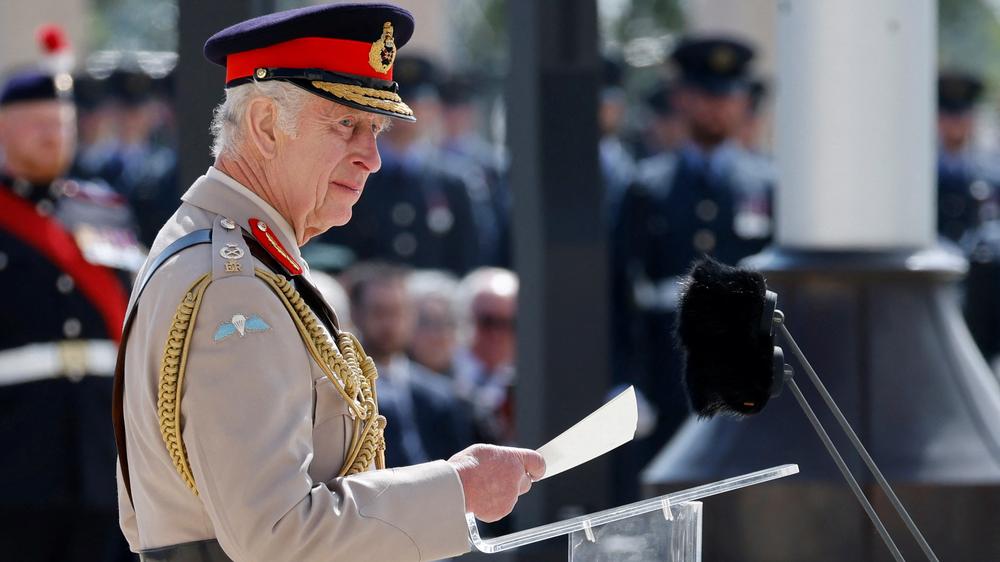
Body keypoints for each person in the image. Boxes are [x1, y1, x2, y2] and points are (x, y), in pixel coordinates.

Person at [114, 4, 544, 561]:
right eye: (346, 125)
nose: (372, 158)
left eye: (377, 130)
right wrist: (456, 489)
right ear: (267, 125)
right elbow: (277, 535)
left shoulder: (225, 250)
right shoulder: (234, 285)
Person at [612, 36, 775, 493]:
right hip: (667, 373)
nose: (715, 109)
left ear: (743, 102)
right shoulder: (647, 186)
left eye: (726, 97)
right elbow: (620, 295)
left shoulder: (766, 184)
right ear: (682, 99)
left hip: (745, 373)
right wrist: (625, 382)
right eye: (705, 96)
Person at [0, 65, 140, 560]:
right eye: (37, 124)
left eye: (61, 124)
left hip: (102, 460)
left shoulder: (105, 210)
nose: (52, 137)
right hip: (15, 462)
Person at [319, 55, 484, 275]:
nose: (405, 115)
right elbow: (334, 246)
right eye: (397, 104)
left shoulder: (451, 181)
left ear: (433, 109)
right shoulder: (354, 171)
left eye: (416, 104)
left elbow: (469, 254)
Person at [346, 262, 472, 467]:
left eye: (397, 312)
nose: (389, 324)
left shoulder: (440, 395)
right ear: (356, 314)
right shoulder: (342, 389)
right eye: (379, 312)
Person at [453, 267, 518, 446]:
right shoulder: (441, 375)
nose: (498, 334)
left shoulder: (529, 386)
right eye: (488, 321)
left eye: (509, 323)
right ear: (466, 319)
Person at [936, 70, 999, 243]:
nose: (955, 122)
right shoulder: (922, 174)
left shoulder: (990, 172)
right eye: (948, 115)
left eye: (962, 115)